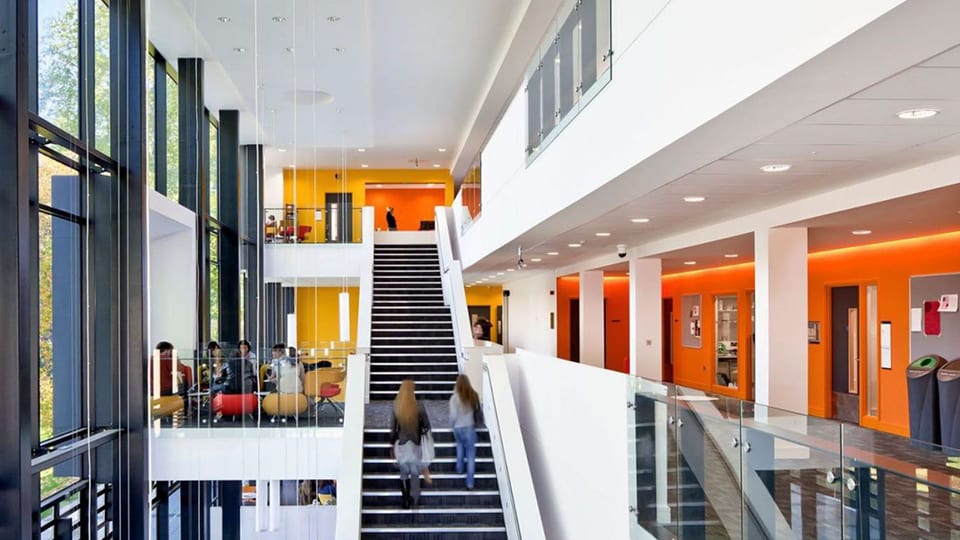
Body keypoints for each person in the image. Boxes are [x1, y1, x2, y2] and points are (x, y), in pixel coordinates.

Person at [391, 380, 431, 509]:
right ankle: (415, 499)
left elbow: (393, 429)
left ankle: (406, 500)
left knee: (403, 473)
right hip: (415, 443)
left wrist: (391, 445)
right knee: (415, 471)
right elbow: (427, 425)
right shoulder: (418, 405)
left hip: (402, 443)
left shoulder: (397, 406)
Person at [449, 374, 480, 490]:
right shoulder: (473, 395)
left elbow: (453, 415)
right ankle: (470, 483)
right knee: (471, 456)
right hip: (470, 427)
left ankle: (459, 468)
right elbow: (477, 410)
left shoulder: (454, 398)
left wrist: (451, 425)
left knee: (460, 446)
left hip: (458, 427)